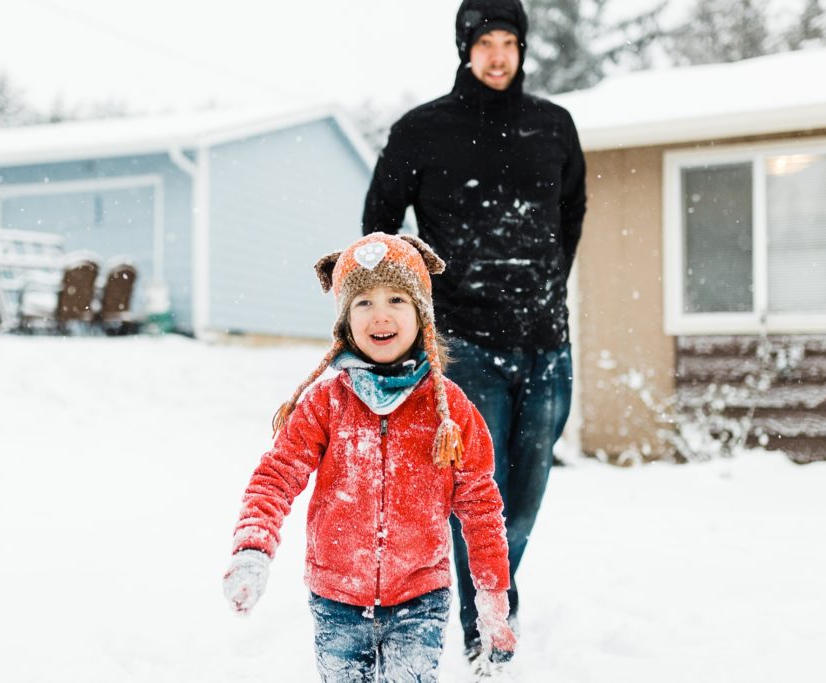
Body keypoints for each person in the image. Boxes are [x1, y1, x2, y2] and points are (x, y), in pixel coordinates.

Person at [361, 0, 587, 663]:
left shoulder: (554, 127)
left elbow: (570, 214)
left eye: (508, 41)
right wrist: (407, 311)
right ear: (465, 49)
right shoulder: (422, 131)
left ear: (521, 49)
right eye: (484, 41)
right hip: (465, 345)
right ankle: (486, 626)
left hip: (547, 340)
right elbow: (378, 226)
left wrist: (542, 279)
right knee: (475, 495)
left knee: (524, 499)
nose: (497, 54)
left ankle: (494, 595)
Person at [222, 232, 517, 681]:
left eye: (397, 298)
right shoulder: (326, 402)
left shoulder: (450, 411)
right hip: (335, 598)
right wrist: (252, 547)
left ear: (422, 315)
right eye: (362, 302)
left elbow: (480, 506)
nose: (380, 314)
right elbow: (277, 475)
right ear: (344, 321)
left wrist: (494, 596)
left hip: (421, 596)